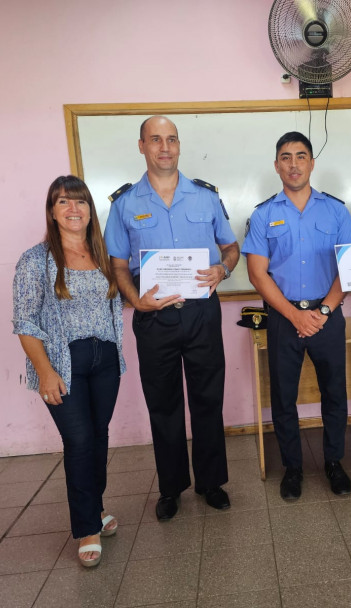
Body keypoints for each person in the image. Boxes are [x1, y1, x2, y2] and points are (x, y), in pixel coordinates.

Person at [104, 115, 239, 521]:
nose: (165, 147)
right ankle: (171, 488)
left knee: (207, 400)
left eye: (172, 139)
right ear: (141, 146)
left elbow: (230, 248)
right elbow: (118, 265)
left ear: (180, 146)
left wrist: (223, 270)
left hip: (201, 314)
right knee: (163, 405)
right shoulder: (126, 204)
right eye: (156, 139)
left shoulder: (205, 197)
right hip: (154, 318)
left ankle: (212, 482)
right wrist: (135, 302)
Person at [13, 175, 125, 567]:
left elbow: (116, 305)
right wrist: (45, 372)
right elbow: (24, 322)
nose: (73, 209)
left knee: (97, 436)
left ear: (90, 210)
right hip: (64, 364)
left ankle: (94, 508)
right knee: (78, 442)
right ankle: (86, 528)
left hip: (106, 360)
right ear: (52, 212)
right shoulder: (35, 260)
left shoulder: (104, 254)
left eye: (80, 202)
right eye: (63, 202)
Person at [243, 131, 351, 500]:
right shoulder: (263, 215)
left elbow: (349, 266)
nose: (294, 164)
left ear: (312, 163)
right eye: (286, 157)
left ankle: (334, 463)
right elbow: (257, 274)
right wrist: (295, 316)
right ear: (276, 165)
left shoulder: (337, 210)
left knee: (334, 394)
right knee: (283, 397)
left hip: (327, 316)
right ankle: (292, 468)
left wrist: (324, 310)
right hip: (282, 318)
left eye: (301, 156)